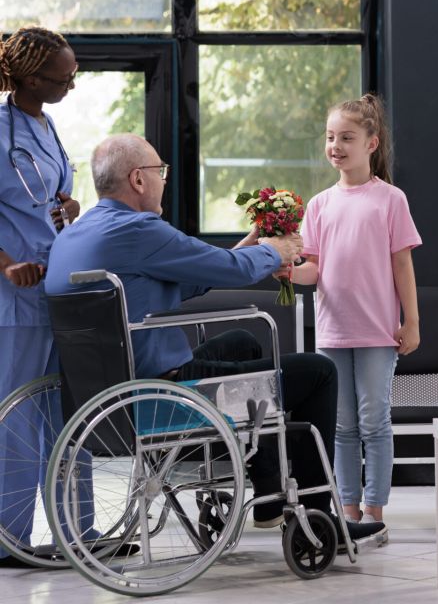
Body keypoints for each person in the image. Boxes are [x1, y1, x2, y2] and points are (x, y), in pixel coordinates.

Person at [44, 133, 386, 543]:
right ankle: (317, 517)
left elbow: (197, 274)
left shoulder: (77, 237)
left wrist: (251, 246)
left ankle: (268, 492)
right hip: (162, 397)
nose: (164, 180)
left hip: (106, 399)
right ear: (138, 179)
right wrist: (276, 251)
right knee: (317, 371)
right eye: (160, 171)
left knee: (240, 340)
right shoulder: (139, 231)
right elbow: (231, 271)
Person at [288, 94, 421, 529]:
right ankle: (348, 513)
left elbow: (403, 264)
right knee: (342, 426)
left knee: (374, 422)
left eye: (347, 137)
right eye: (330, 138)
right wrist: (286, 270)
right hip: (332, 332)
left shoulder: (390, 199)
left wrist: (411, 321)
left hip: (379, 331)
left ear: (371, 143)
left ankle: (374, 511)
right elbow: (314, 270)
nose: (336, 146)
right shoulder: (319, 204)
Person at [0, 25, 84, 568]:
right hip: (17, 297)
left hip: (57, 282)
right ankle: (8, 539)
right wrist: (8, 266)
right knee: (19, 416)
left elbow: (49, 194)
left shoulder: (46, 123)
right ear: (32, 78)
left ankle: (80, 531)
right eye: (63, 78)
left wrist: (68, 207)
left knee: (69, 410)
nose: (71, 86)